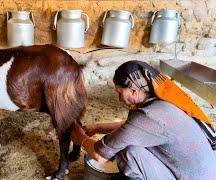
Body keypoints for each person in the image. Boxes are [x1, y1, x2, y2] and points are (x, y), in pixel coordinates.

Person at [71, 60, 216, 180]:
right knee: (131, 143)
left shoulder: (150, 116)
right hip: (203, 173)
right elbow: (132, 128)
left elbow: (100, 155)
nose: (119, 98)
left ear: (134, 91)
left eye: (120, 93)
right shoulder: (162, 104)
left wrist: (80, 138)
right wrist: (96, 128)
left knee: (128, 151)